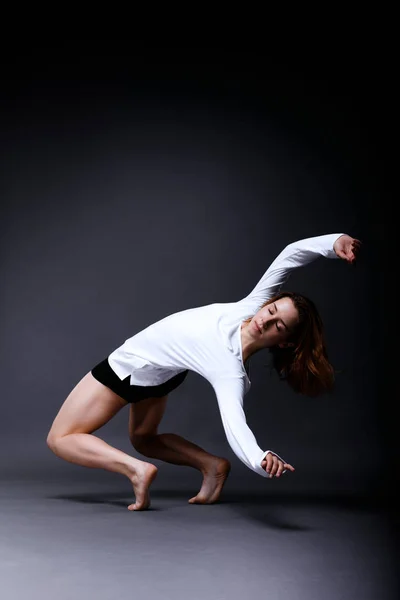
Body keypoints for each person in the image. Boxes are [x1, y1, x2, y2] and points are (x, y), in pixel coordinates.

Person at [47, 232, 361, 511]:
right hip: (162, 372)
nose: (265, 319)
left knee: (61, 438)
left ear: (285, 342)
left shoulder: (229, 370)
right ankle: (210, 465)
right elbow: (291, 255)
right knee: (145, 438)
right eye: (272, 310)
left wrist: (259, 459)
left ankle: (134, 470)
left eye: (278, 325)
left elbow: (236, 424)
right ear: (268, 303)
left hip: (129, 366)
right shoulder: (250, 307)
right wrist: (334, 242)